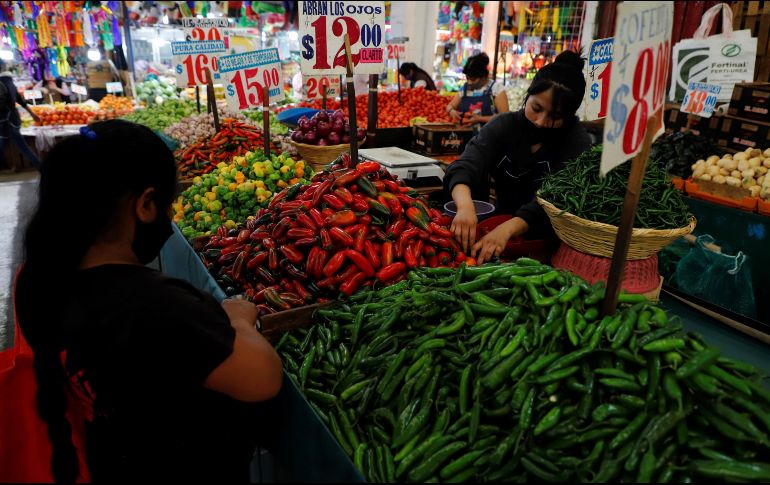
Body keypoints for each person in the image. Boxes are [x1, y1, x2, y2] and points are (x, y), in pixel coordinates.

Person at [14, 120, 283, 482]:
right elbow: (263, 378)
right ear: (145, 204)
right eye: (169, 205)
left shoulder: (39, 279)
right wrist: (237, 319)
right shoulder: (158, 307)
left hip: (110, 460)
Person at [443, 51, 591, 264]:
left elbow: (555, 198)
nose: (540, 121)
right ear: (528, 95)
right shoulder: (504, 125)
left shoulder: (577, 142)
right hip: (498, 229)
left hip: (547, 245)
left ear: (570, 115)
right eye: (536, 108)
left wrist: (509, 229)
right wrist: (465, 207)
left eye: (555, 117)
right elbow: (466, 164)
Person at [445, 53, 509, 130]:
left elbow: (505, 118)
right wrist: (451, 111)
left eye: (473, 79)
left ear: (484, 76)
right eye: (467, 78)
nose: (469, 82)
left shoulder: (496, 89)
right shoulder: (464, 90)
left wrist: (480, 119)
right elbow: (450, 106)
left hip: (490, 138)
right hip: (467, 137)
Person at [0, 60, 42, 171]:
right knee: (4, 142)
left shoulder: (1, 83)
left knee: (20, 144)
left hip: (6, 119)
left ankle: (39, 165)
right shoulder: (10, 83)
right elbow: (21, 101)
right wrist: (32, 115)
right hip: (14, 118)